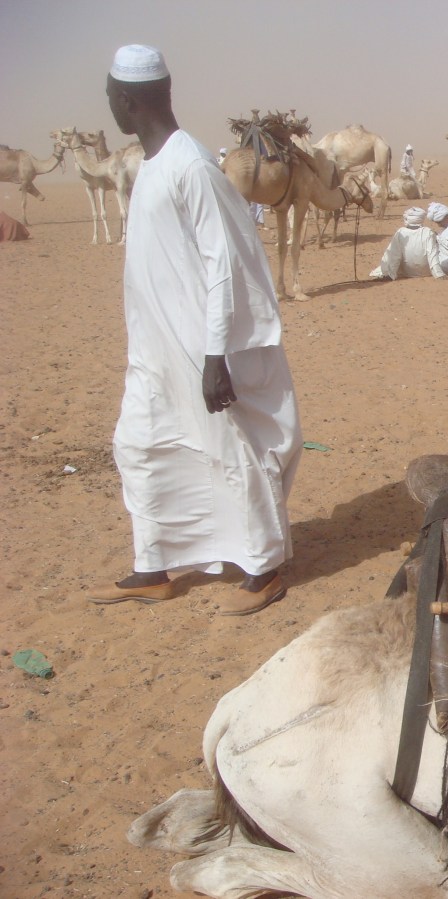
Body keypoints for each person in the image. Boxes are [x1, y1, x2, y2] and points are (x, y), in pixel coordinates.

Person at [89, 45, 301, 616]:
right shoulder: (154, 165)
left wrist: (216, 357)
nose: (108, 105)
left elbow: (225, 263)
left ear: (127, 100)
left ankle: (264, 566)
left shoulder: (192, 166)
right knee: (139, 446)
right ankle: (152, 567)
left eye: (110, 96)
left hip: (197, 348)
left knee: (232, 451)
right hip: (155, 349)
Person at [369, 206, 445, 280]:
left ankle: (389, 272)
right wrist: (438, 274)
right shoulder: (428, 231)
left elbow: (394, 255)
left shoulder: (401, 232)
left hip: (407, 272)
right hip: (426, 272)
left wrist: (389, 274)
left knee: (392, 252)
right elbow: (432, 253)